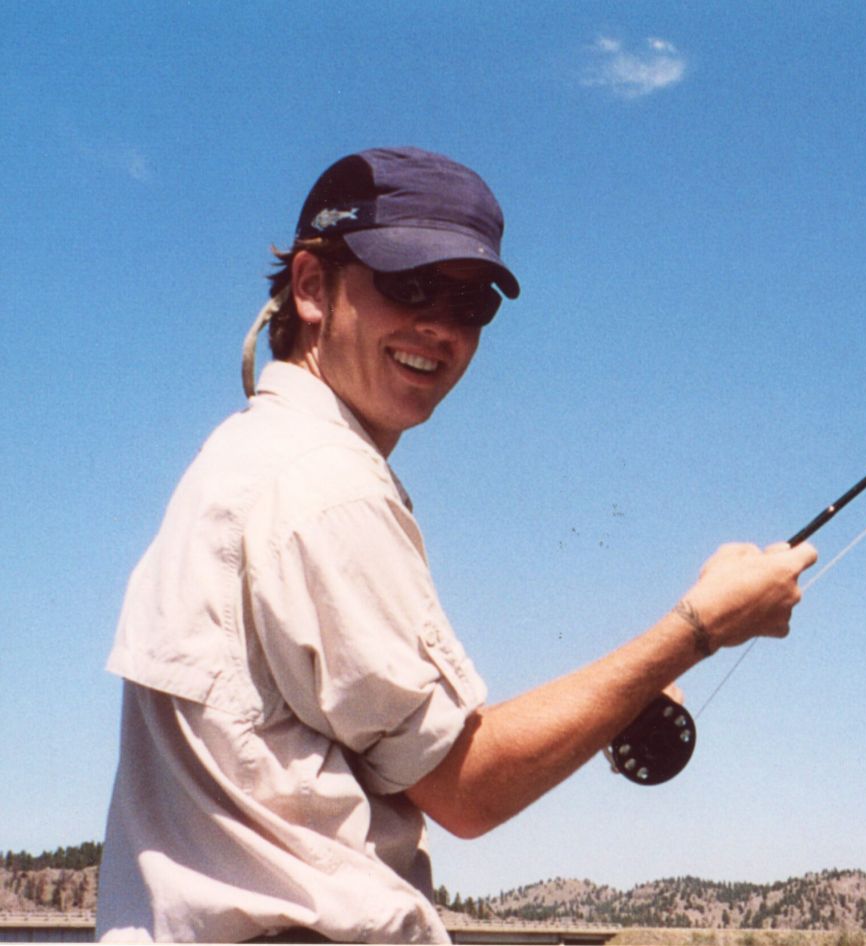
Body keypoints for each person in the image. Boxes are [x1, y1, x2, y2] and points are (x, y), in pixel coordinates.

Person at [96, 147, 817, 944]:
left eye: (470, 303)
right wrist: (699, 629)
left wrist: (639, 682)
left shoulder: (248, 459)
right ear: (311, 286)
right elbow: (468, 788)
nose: (439, 327)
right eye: (407, 284)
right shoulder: (325, 488)